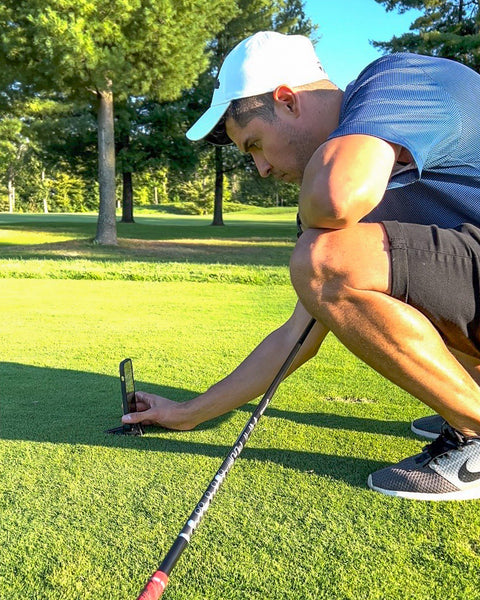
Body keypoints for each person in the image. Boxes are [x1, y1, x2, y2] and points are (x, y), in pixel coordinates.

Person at [123, 31, 480, 501]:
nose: (261, 169)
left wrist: (314, 234)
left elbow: (334, 201)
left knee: (326, 256)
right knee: (328, 258)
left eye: (254, 145)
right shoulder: (344, 191)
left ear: (288, 101)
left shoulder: (396, 79)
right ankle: (464, 400)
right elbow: (299, 334)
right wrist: (189, 412)